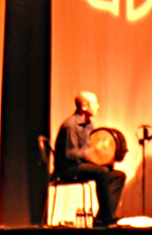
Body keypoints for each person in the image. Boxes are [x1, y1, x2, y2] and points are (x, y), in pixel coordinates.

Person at [54, 91, 127, 227]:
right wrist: (91, 152)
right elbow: (69, 154)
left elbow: (90, 151)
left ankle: (102, 217)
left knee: (118, 175)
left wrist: (104, 156)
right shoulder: (71, 125)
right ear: (84, 106)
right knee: (102, 172)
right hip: (68, 168)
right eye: (94, 103)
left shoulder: (89, 125)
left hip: (82, 165)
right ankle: (106, 218)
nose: (98, 106)